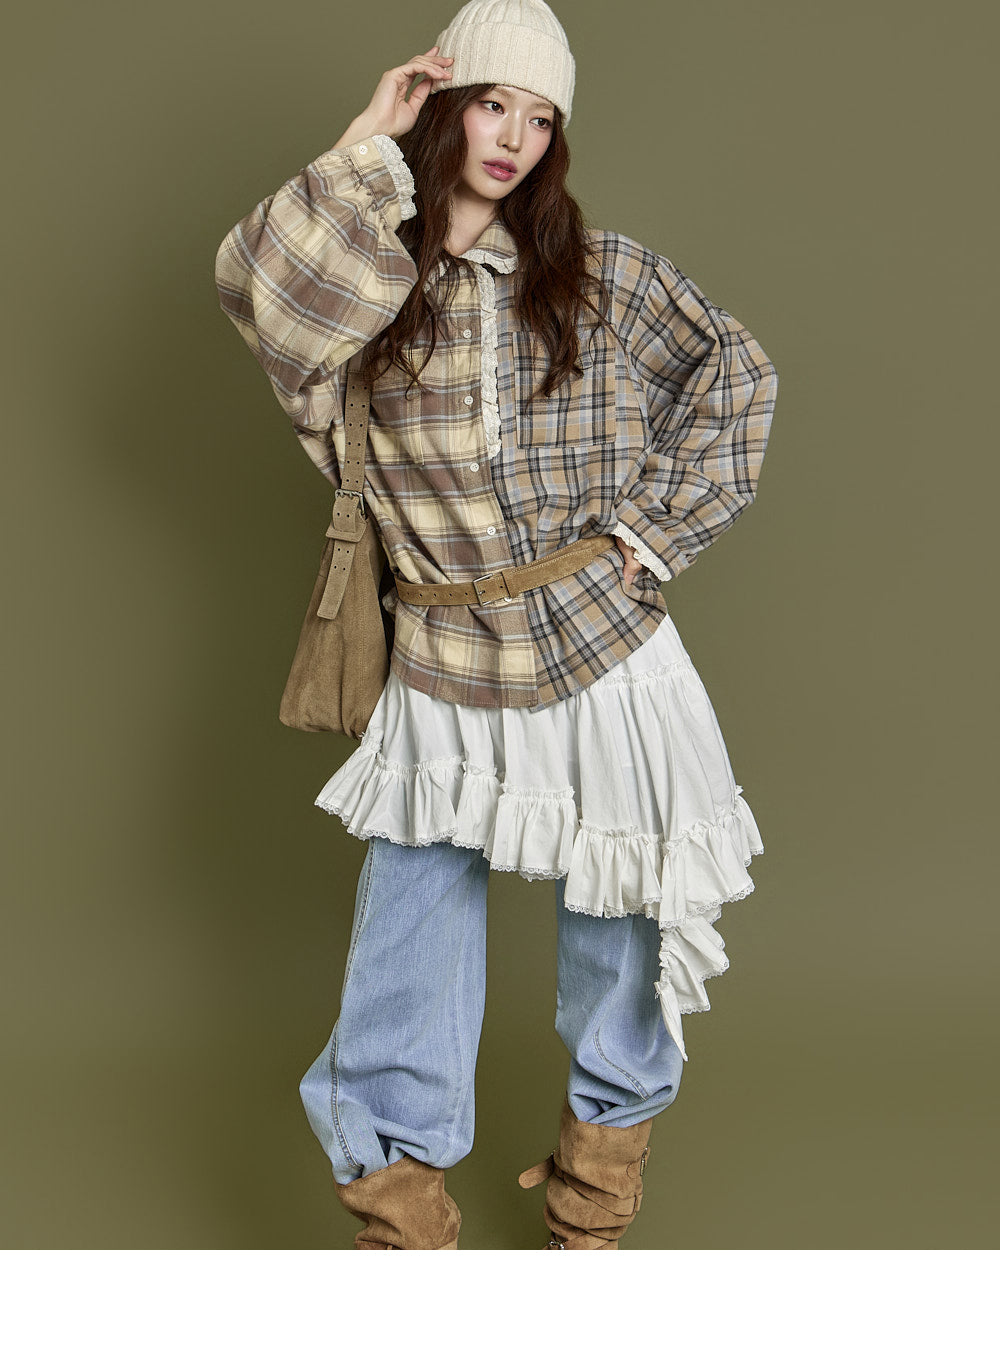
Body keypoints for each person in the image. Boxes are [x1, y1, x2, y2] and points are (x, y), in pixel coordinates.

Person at [214, 0, 778, 1250]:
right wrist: (369, 139)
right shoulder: (367, 285)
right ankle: (400, 1213)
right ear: (446, 109)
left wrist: (651, 537)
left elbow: (737, 375)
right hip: (441, 645)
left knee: (622, 919)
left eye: (539, 116)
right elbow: (260, 293)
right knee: (408, 929)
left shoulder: (603, 276)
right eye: (491, 104)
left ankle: (597, 1191)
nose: (514, 137)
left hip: (601, 641)